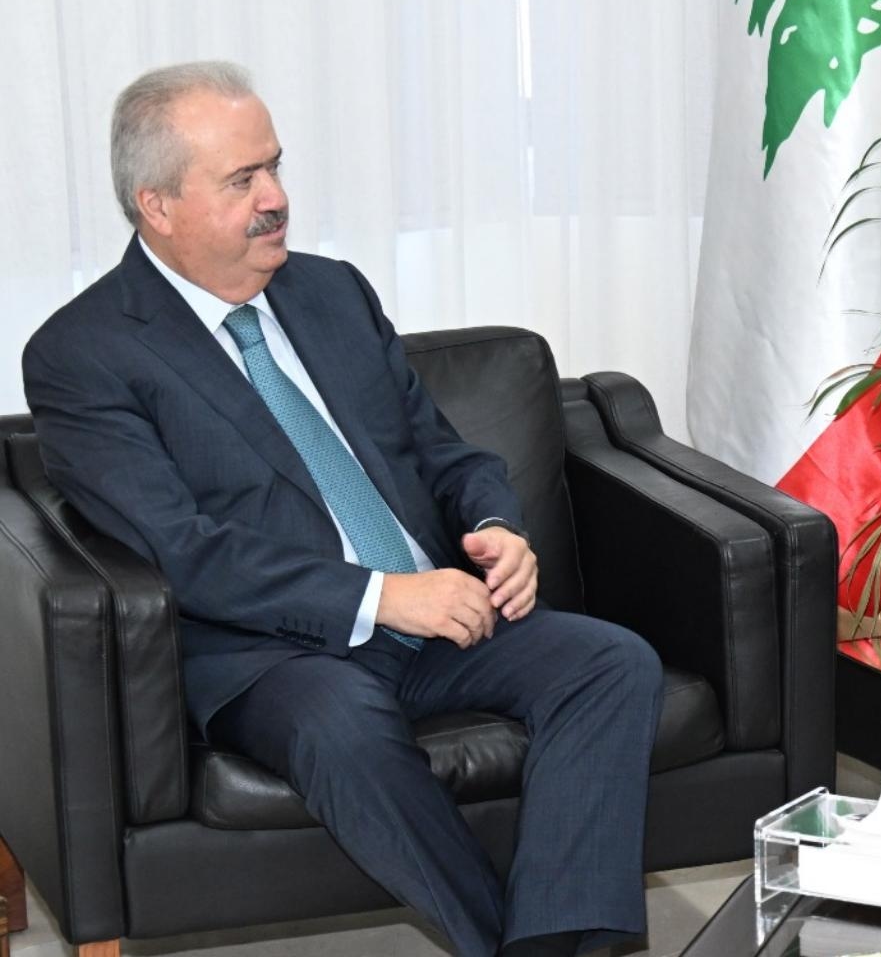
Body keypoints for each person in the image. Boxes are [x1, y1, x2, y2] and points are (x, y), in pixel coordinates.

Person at [22, 61, 662, 957]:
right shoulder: (83, 353)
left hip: (436, 613)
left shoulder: (332, 293)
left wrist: (495, 527)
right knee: (340, 729)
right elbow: (181, 550)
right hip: (269, 651)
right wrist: (383, 597)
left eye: (275, 166)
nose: (276, 198)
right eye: (242, 180)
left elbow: (443, 452)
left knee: (610, 662)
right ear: (156, 205)